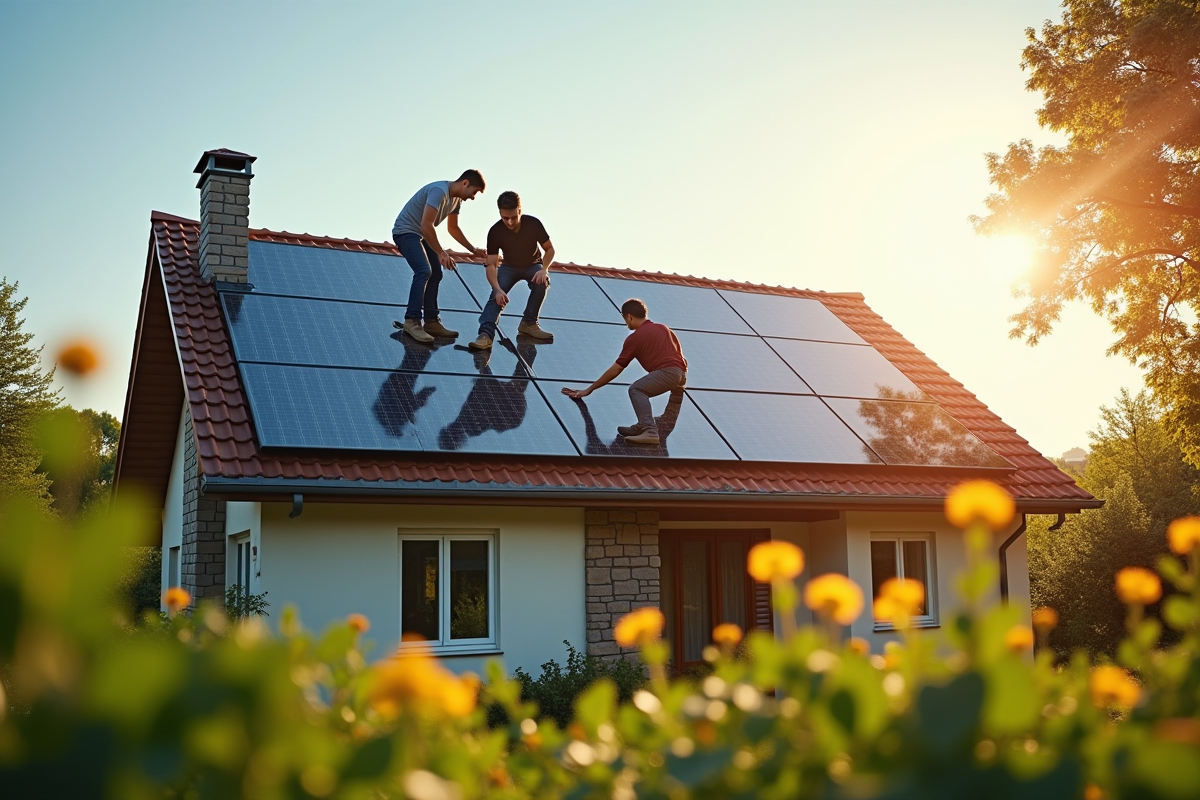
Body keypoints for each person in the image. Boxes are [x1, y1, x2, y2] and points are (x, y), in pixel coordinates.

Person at [561, 298, 688, 445]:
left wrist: (589, 389)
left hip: (667, 373)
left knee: (636, 389)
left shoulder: (634, 338)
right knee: (642, 387)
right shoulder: (663, 328)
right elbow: (680, 356)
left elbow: (616, 369)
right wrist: (680, 382)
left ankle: (650, 431)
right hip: (679, 373)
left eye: (625, 319)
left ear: (629, 316)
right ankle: (642, 425)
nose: (626, 323)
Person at [392, 170, 487, 344]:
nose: (473, 197)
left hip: (421, 233)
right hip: (406, 232)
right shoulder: (439, 191)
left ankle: (431, 321)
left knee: (437, 273)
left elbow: (453, 229)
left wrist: (473, 249)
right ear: (465, 183)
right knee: (423, 270)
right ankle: (411, 321)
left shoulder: (456, 200)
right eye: (474, 192)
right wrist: (441, 253)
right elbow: (426, 225)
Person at [469, 190, 556, 350]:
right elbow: (492, 265)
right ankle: (485, 335)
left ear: (519, 211)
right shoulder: (495, 232)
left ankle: (529, 323)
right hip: (509, 267)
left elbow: (549, 249)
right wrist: (497, 289)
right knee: (496, 295)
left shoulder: (533, 224)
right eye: (505, 218)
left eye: (513, 217)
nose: (509, 222)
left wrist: (544, 269)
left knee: (542, 282)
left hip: (533, 265)